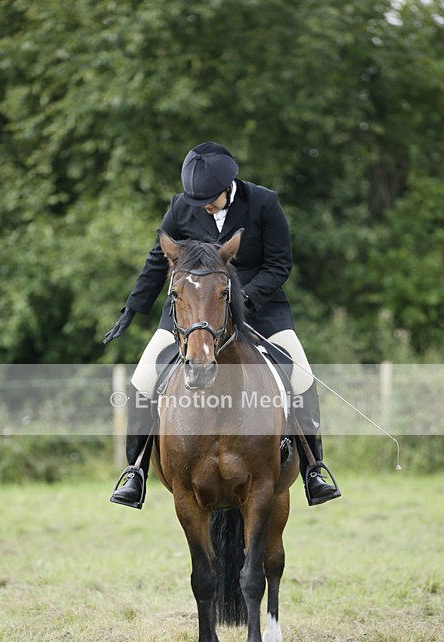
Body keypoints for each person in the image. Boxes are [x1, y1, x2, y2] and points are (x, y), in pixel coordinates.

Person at [103, 141, 340, 509]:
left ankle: (313, 468)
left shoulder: (264, 203)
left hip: (259, 308)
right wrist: (133, 308)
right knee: (143, 379)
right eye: (196, 202)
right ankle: (136, 471)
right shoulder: (180, 206)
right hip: (191, 312)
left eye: (209, 200)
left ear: (227, 186)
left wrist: (242, 299)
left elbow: (279, 265)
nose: (203, 207)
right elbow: (157, 261)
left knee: (302, 376)